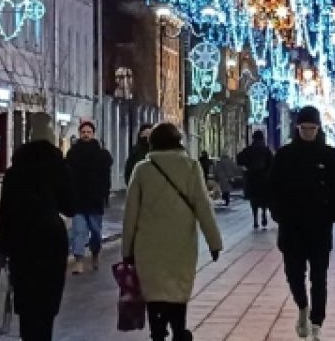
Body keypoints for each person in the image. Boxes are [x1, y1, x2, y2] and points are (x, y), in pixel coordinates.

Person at [122, 122, 223, 341]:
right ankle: (179, 331)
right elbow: (203, 207)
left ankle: (157, 332)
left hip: (147, 245)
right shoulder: (191, 167)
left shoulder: (142, 170)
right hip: (181, 244)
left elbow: (130, 212)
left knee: (154, 291)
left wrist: (127, 249)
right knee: (177, 291)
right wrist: (214, 243)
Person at [0, 113, 75, 341]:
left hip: (22, 242)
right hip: (51, 241)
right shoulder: (59, 168)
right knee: (46, 305)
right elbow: (70, 206)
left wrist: (1, 249)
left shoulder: (15, 172)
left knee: (27, 303)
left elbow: (5, 212)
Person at [268, 106, 335, 341]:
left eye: (312, 128)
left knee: (319, 276)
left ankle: (317, 323)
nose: (308, 132)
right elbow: (273, 187)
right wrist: (278, 213)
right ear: (297, 128)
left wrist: (333, 212)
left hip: (319, 227)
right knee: (294, 275)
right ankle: (302, 306)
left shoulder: (329, 156)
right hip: (291, 227)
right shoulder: (285, 155)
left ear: (318, 128)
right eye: (304, 128)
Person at [64, 120, 113, 274]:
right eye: (83, 132)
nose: (85, 135)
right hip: (78, 201)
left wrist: (105, 194)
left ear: (93, 134)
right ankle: (79, 261)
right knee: (78, 231)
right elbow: (67, 176)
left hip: (95, 201)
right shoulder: (73, 153)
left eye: (88, 132)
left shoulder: (101, 154)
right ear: (80, 134)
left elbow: (106, 177)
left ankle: (95, 254)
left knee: (96, 232)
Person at [237, 130, 274, 229]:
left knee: (254, 200)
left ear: (253, 138)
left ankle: (255, 220)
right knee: (264, 199)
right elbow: (272, 164)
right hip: (264, 179)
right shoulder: (266, 150)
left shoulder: (249, 150)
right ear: (262, 138)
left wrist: (247, 165)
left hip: (252, 179)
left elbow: (239, 159)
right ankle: (264, 214)